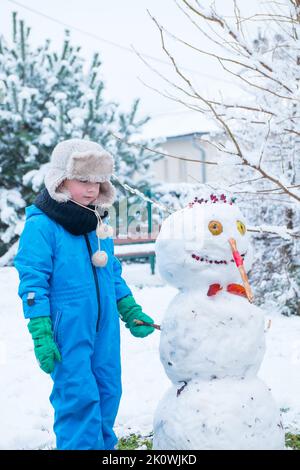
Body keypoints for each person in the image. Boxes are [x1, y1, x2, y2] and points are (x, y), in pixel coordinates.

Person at [14, 138, 155, 450]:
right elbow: (32, 281)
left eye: (98, 181)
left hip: (104, 329)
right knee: (78, 397)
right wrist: (40, 330)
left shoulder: (96, 222)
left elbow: (111, 273)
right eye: (83, 180)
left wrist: (130, 310)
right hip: (68, 328)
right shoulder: (42, 226)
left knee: (108, 390)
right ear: (61, 179)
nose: (92, 189)